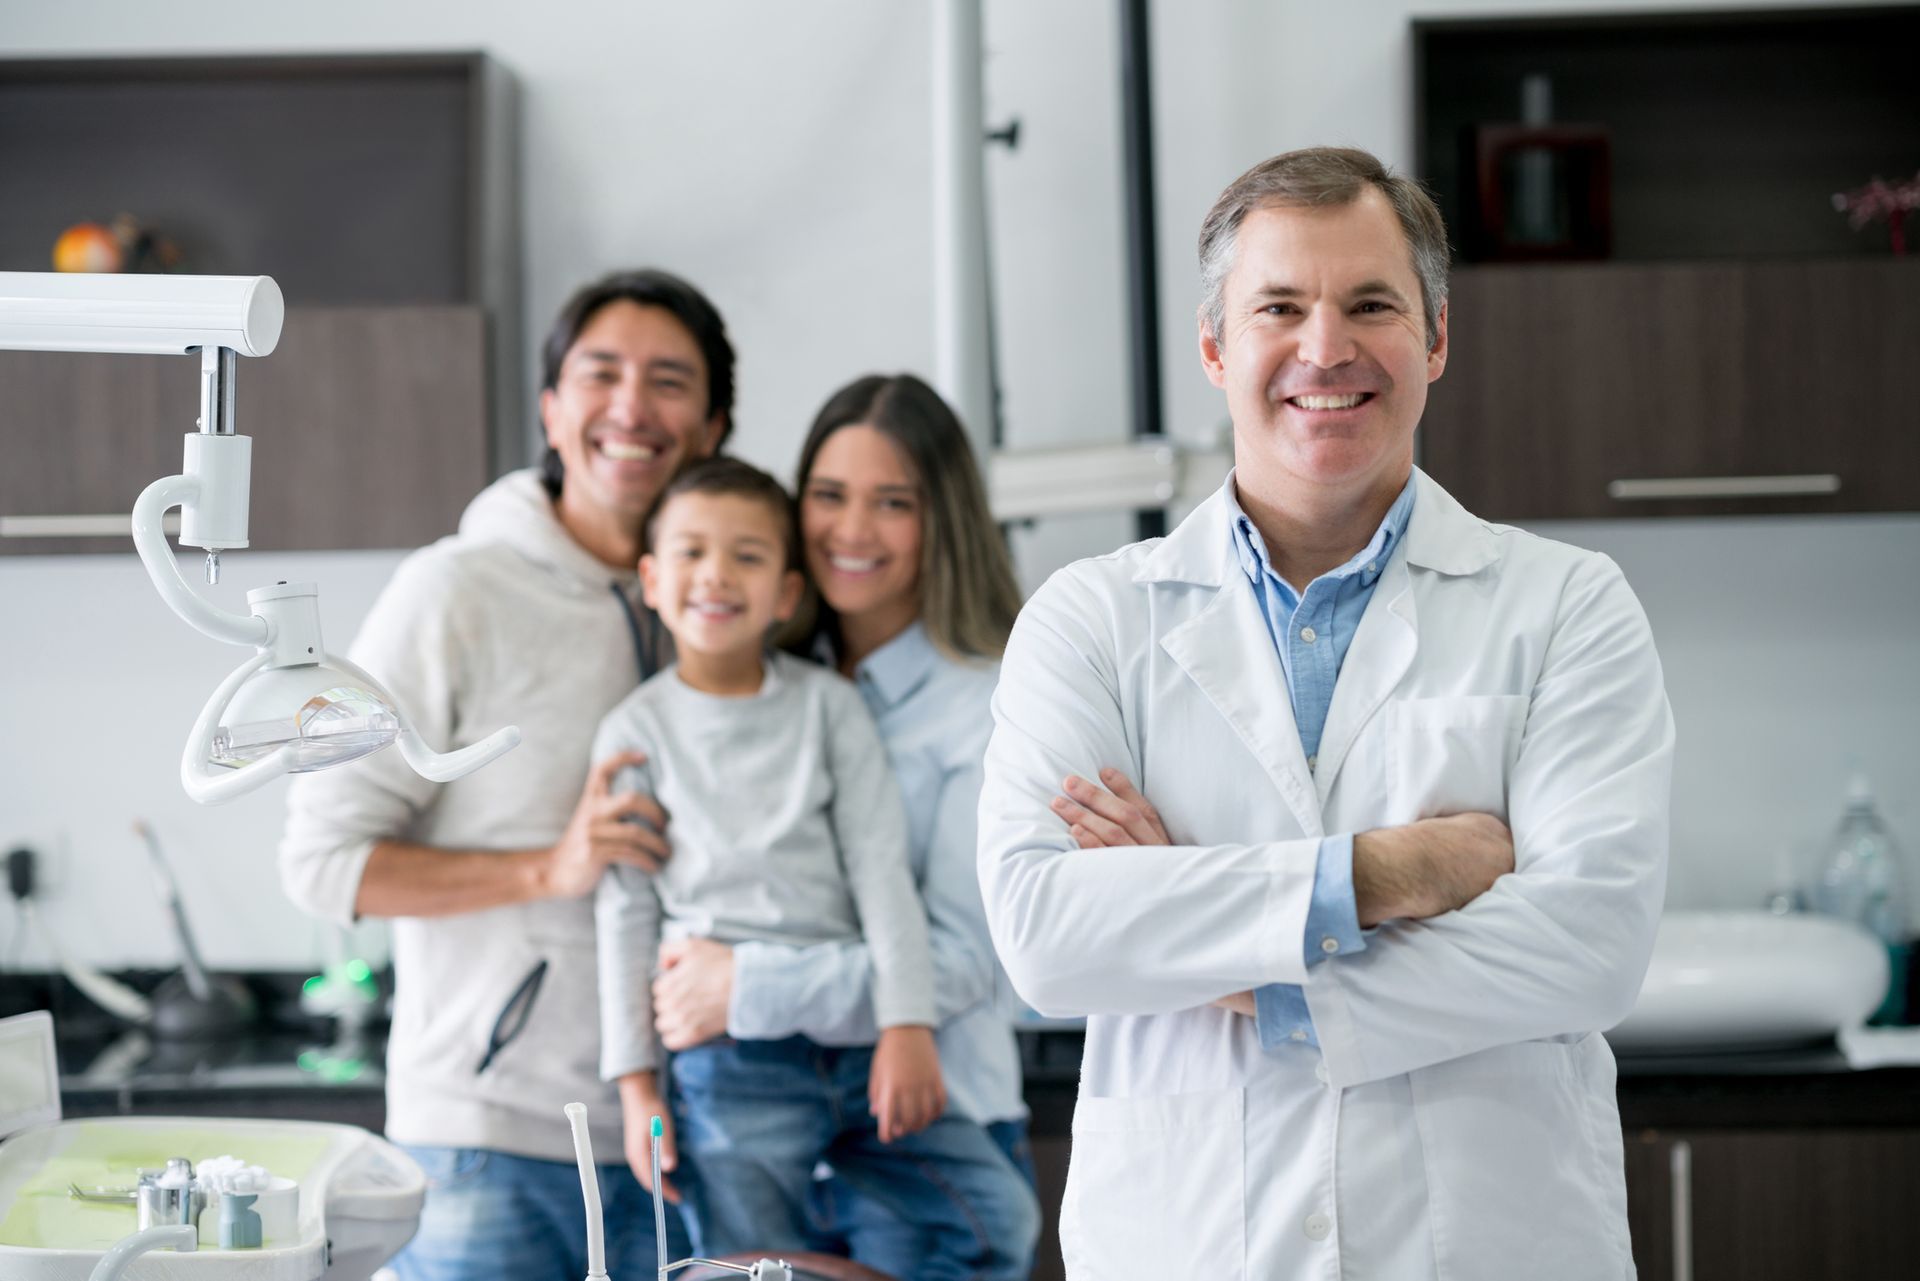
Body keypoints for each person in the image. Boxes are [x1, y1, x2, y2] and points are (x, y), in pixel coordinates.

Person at [977, 146, 1675, 1280]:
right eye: (1279, 308)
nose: (1325, 348)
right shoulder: (1092, 618)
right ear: (1215, 346)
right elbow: (1048, 936)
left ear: (1437, 340)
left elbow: (1589, 947)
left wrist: (1226, 959)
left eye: (1370, 305)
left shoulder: (1565, 606)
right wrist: (1381, 875)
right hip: (1191, 1244)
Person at [278, 269, 733, 1281]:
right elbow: (322, 863)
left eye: (669, 381)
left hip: (701, 1138)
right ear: (552, 408)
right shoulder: (451, 592)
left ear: (711, 425)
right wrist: (547, 868)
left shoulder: (732, 593)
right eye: (600, 373)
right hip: (493, 1141)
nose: (630, 407)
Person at [592, 457, 1031, 1281]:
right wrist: (634, 1086)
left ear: (789, 593)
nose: (717, 574)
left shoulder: (830, 706)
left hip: (861, 1044)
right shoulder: (633, 730)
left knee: (994, 1215)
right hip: (729, 1063)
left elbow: (880, 878)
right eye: (691, 552)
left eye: (747, 556)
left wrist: (906, 1024)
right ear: (651, 578)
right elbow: (624, 918)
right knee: (747, 1268)